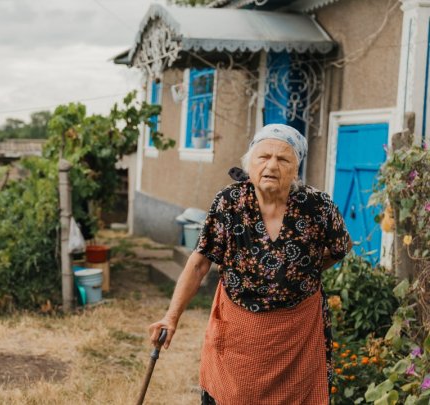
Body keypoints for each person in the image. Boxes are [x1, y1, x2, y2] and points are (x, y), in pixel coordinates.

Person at [148, 124, 353, 404]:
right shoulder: (229, 203)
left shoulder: (317, 206)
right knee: (233, 395)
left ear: (296, 169)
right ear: (250, 163)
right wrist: (171, 317)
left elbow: (341, 247)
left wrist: (305, 273)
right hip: (239, 329)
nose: (272, 165)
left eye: (283, 159)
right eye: (263, 156)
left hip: (297, 334)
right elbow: (199, 263)